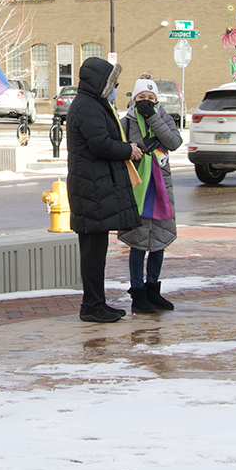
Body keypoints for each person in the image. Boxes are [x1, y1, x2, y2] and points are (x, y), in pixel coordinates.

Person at [67, 57, 142, 323]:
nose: (115, 88)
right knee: (93, 253)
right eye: (113, 83)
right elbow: (101, 144)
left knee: (96, 252)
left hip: (93, 186)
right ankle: (92, 305)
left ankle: (96, 302)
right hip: (91, 188)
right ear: (100, 82)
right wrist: (129, 151)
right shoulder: (87, 106)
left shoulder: (93, 104)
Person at [119, 77, 182, 313]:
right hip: (138, 186)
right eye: (141, 98)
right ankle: (138, 293)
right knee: (138, 241)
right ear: (134, 99)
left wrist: (153, 118)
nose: (146, 102)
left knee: (159, 239)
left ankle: (153, 289)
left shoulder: (163, 117)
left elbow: (174, 142)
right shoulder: (126, 122)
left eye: (150, 98)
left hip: (160, 185)